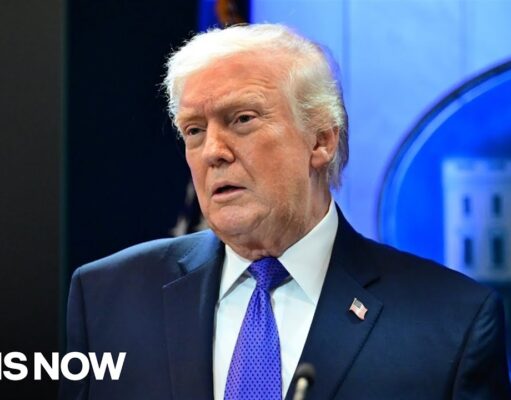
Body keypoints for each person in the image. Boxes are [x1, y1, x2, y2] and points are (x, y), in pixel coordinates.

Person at [61, 24, 510, 399]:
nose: (212, 151)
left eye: (242, 119)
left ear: (321, 140)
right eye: (194, 130)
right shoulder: (107, 297)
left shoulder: (453, 323)